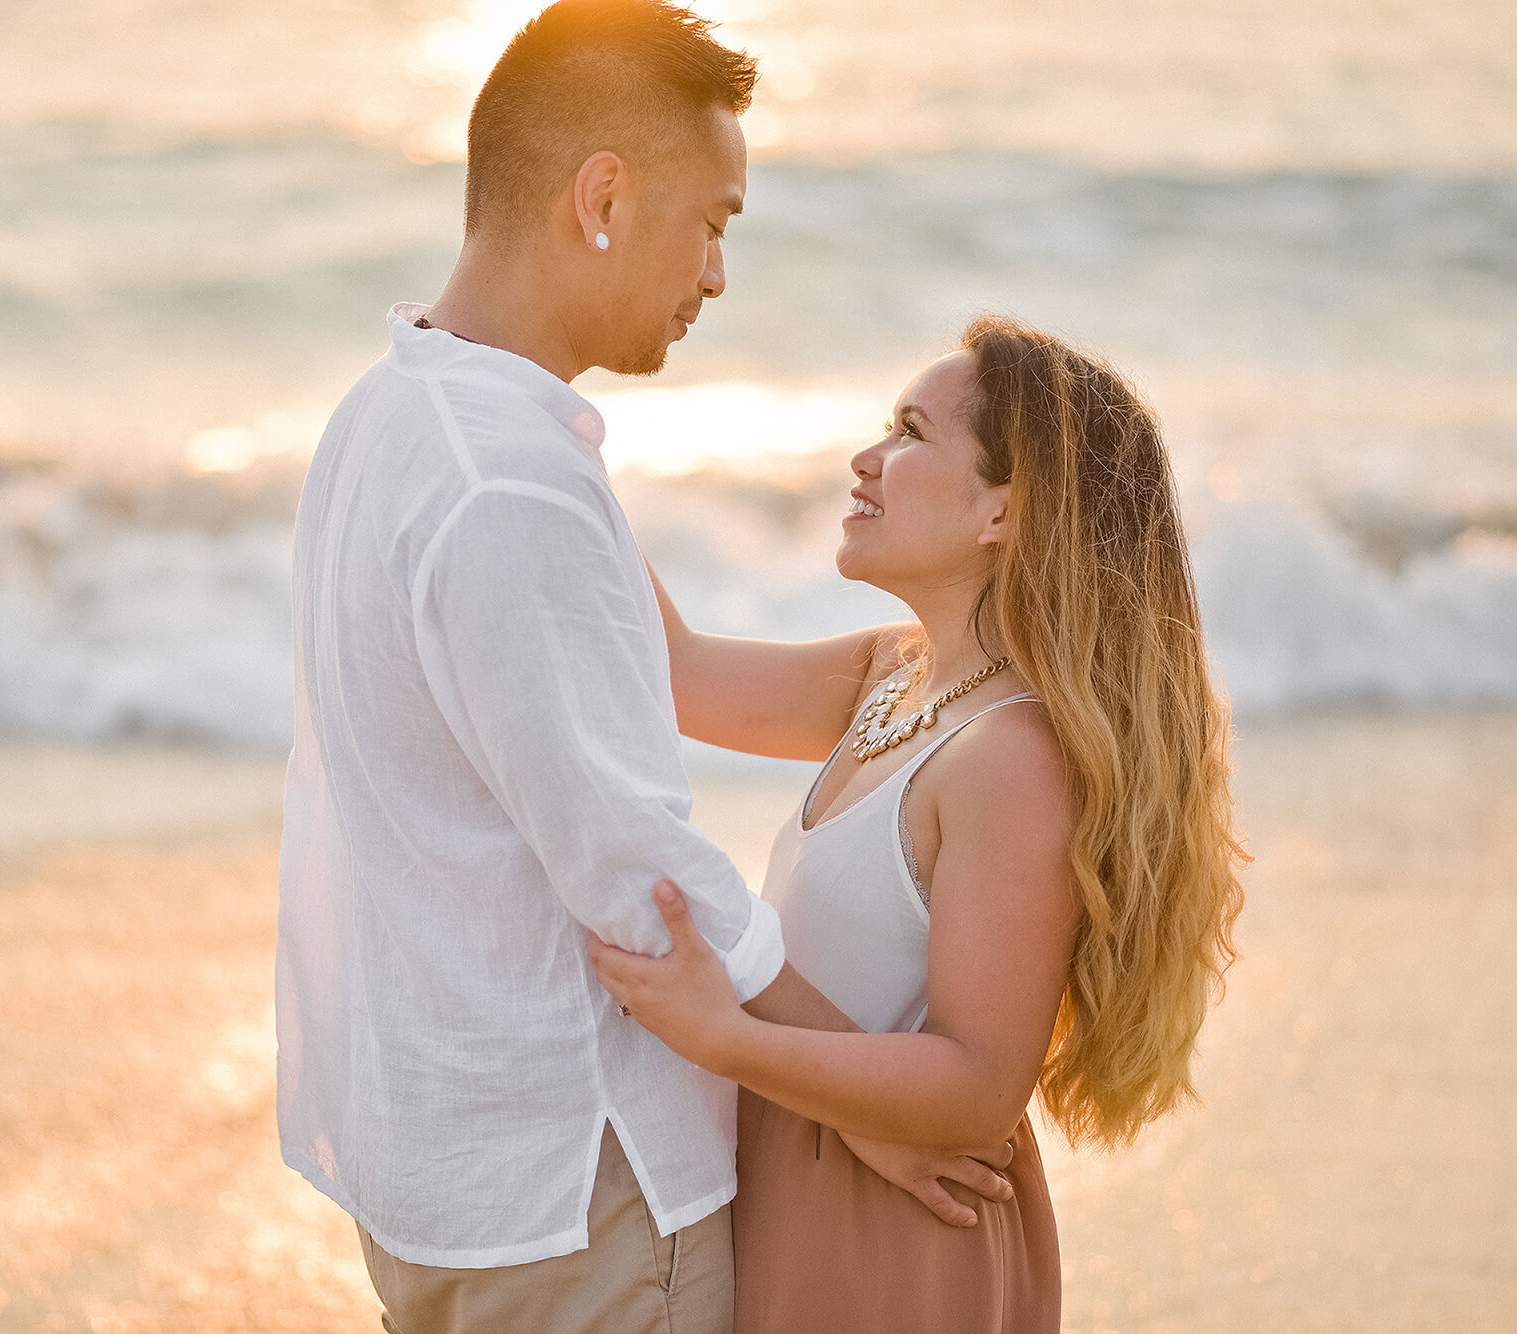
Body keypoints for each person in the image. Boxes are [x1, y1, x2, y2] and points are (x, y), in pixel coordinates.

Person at [277, 4, 1007, 1331]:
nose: (718, 272)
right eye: (714, 219)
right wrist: (862, 1101)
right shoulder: (509, 482)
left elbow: (668, 671)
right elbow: (639, 877)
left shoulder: (396, 414)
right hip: (582, 1182)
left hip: (449, 1164)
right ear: (602, 195)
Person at [592, 316, 1249, 1332]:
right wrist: (537, 422)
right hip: (819, 1163)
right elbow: (664, 668)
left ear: (1002, 510)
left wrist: (721, 1035)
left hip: (894, 1218)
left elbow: (977, 1083)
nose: (866, 457)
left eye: (908, 431)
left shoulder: (1010, 757)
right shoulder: (890, 674)